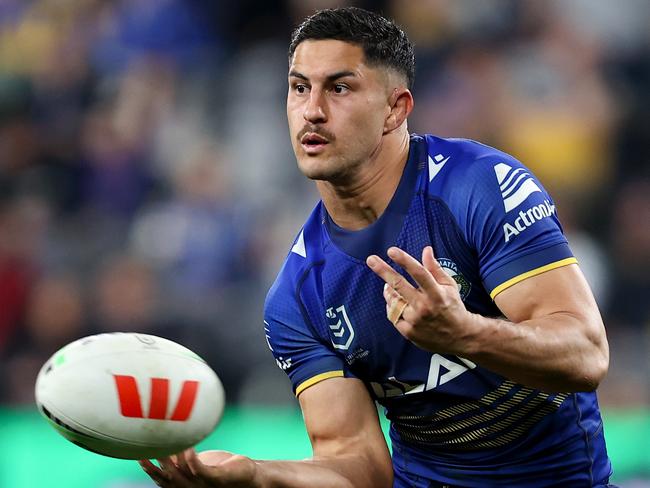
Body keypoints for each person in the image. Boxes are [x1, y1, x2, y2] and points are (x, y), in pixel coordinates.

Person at [139, 7, 613, 488]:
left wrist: (464, 332)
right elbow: (358, 466)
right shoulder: (297, 297)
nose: (312, 110)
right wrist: (255, 476)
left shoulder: (478, 186)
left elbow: (585, 354)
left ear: (396, 108)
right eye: (300, 87)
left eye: (339, 88)